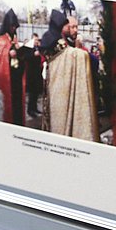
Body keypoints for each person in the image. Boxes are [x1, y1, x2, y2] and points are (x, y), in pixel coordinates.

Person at [40, 11, 98, 141]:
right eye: (68, 26)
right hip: (57, 85)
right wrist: (79, 51)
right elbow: (66, 56)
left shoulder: (54, 37)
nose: (70, 29)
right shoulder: (55, 40)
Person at [0, 9, 24, 124]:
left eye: (15, 27)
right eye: (12, 26)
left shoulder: (15, 40)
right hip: (6, 79)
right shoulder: (1, 40)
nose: (14, 29)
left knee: (17, 105)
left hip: (16, 79)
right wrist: (8, 54)